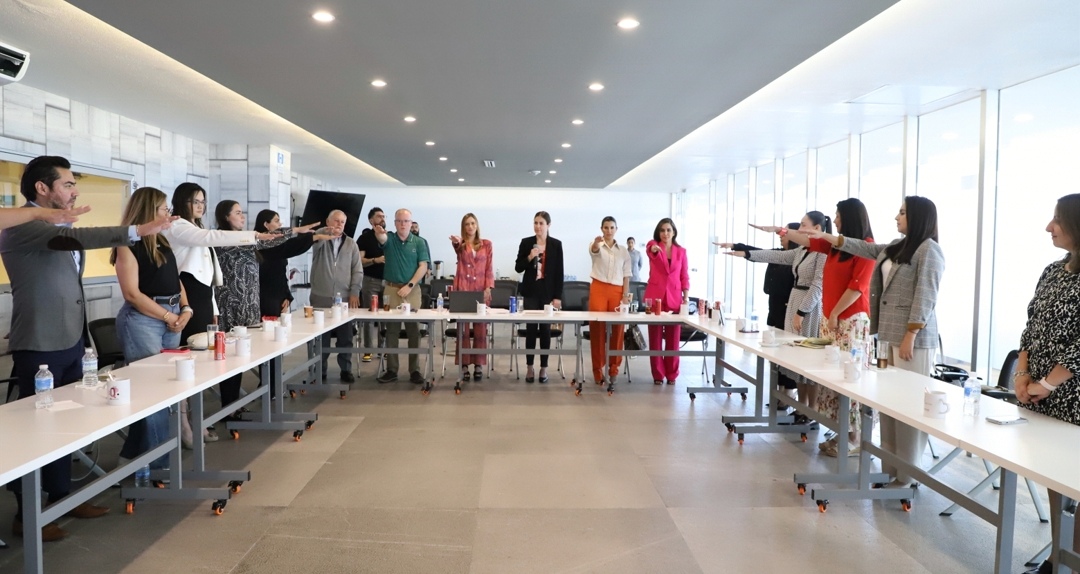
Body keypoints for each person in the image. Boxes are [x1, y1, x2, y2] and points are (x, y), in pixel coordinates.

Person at [1, 155, 173, 541]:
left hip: (70, 339)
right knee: (36, 430)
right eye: (67, 184)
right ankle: (25, 514)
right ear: (42, 188)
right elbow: (83, 239)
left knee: (68, 424)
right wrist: (137, 230)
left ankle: (62, 497)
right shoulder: (23, 226)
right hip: (41, 343)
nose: (74, 191)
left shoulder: (54, 224)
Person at [807, 196, 944, 488]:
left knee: (908, 405)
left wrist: (911, 334)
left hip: (913, 339)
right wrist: (830, 238)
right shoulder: (898, 246)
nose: (897, 217)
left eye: (902, 212)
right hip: (889, 334)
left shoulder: (929, 250)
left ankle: (908, 475)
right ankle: (891, 469)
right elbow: (865, 248)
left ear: (918, 217)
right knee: (890, 404)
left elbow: (926, 295)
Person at [165, 183, 273, 431]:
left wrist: (214, 308)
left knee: (203, 360)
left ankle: (196, 419)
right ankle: (186, 423)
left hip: (203, 298)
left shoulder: (195, 227)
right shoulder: (178, 226)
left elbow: (209, 274)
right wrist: (254, 235)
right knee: (191, 360)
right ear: (182, 201)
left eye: (203, 201)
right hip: (188, 297)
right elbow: (211, 237)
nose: (200, 206)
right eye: (195, 201)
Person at [771, 200, 875, 457]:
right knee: (833, 378)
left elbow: (857, 287)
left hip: (850, 321)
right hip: (831, 320)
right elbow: (809, 242)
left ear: (850, 218)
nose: (835, 220)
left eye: (838, 216)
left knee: (850, 377)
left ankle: (855, 437)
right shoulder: (837, 246)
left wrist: (835, 313)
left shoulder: (866, 246)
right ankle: (842, 432)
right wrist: (781, 231)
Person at [1013, 194, 1080, 574]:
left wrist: (1049, 384)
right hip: (1042, 395)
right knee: (1055, 478)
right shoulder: (1053, 270)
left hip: (1072, 398)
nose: (1048, 227)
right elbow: (1031, 326)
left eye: (1057, 220)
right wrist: (1023, 374)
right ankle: (1058, 557)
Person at [111, 187, 190, 468]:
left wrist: (186, 308)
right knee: (153, 392)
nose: (168, 214)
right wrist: (167, 316)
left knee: (166, 388)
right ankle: (158, 466)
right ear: (148, 211)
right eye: (163, 209)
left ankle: (130, 458)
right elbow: (132, 294)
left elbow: (175, 279)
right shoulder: (126, 244)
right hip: (144, 320)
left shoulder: (162, 240)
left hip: (171, 316)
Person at [723, 211, 829, 420]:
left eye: (803, 224)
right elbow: (776, 256)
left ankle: (812, 409)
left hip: (809, 307)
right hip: (795, 300)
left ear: (817, 228)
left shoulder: (822, 252)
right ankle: (801, 406)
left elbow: (818, 286)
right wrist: (745, 254)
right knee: (797, 359)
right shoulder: (801, 251)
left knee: (809, 360)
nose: (799, 229)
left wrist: (802, 311)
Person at [215, 201, 314, 412]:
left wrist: (301, 234)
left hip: (250, 306)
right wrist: (296, 230)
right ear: (225, 217)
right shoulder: (223, 239)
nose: (243, 216)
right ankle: (229, 407)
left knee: (244, 355)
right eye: (238, 213)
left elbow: (271, 241)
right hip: (231, 307)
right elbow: (264, 239)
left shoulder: (248, 239)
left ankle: (237, 404)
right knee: (231, 359)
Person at [375, 208, 429, 384]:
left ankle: (415, 370)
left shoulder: (419, 242)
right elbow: (382, 239)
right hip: (391, 290)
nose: (403, 224)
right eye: (399, 221)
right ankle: (392, 369)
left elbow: (423, 266)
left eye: (406, 221)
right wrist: (379, 232)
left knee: (414, 331)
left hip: (412, 290)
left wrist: (410, 285)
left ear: (411, 223)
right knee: (392, 331)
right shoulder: (390, 238)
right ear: (395, 223)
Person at [311, 209, 363, 382]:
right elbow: (314, 238)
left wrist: (355, 291)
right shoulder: (319, 239)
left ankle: (346, 370)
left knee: (345, 337)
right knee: (321, 337)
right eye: (336, 220)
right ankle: (319, 370)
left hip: (344, 298)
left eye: (342, 222)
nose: (339, 224)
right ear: (328, 221)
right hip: (321, 296)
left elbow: (357, 270)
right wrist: (327, 233)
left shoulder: (351, 244)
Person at [719, 222, 800, 330]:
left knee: (783, 334)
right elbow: (759, 253)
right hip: (773, 303)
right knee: (772, 332)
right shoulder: (778, 253)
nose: (780, 236)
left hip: (788, 305)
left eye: (784, 233)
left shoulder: (798, 258)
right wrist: (734, 246)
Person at [514, 211, 564, 383]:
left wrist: (557, 296)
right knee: (530, 330)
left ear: (548, 225)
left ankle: (543, 368)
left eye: (541, 223)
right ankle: (529, 367)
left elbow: (559, 272)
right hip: (531, 292)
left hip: (547, 293)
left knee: (545, 331)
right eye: (535, 223)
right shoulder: (526, 242)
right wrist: (530, 256)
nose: (538, 226)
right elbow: (518, 268)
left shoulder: (556, 245)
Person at [254, 210, 329, 318]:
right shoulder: (258, 245)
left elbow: (281, 274)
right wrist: (315, 237)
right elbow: (292, 246)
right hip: (263, 299)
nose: (280, 224)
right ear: (266, 224)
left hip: (278, 298)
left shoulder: (277, 246)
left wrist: (286, 296)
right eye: (276, 221)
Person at [449, 213, 494, 381]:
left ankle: (478, 364)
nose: (470, 226)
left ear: (477, 225)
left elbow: (489, 267)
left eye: (473, 223)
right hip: (464, 288)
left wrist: (488, 287)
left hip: (481, 290)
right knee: (464, 330)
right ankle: (464, 364)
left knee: (480, 329)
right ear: (463, 227)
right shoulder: (461, 245)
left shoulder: (486, 244)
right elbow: (457, 247)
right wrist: (456, 242)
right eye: (467, 224)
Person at [644, 218, 689, 385]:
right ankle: (657, 374)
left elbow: (684, 275)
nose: (665, 233)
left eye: (668, 230)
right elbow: (650, 249)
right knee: (655, 338)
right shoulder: (654, 246)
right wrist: (654, 248)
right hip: (655, 297)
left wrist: (686, 296)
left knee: (673, 339)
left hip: (675, 297)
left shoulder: (681, 251)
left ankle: (672, 374)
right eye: (662, 230)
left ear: (674, 232)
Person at [588, 216, 631, 384]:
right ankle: (598, 369)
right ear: (601, 229)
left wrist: (625, 296)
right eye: (606, 227)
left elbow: (626, 275)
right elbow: (594, 251)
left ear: (616, 229)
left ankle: (614, 368)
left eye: (612, 227)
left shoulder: (623, 251)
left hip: (617, 290)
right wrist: (595, 243)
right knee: (597, 327)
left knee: (618, 329)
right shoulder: (596, 245)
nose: (609, 230)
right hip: (598, 288)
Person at [356, 207, 387, 362]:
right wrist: (375, 260)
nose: (382, 219)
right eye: (379, 216)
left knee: (386, 315)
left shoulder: (389, 236)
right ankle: (368, 350)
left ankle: (384, 349)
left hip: (388, 281)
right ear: (371, 220)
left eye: (384, 216)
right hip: (370, 280)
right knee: (369, 315)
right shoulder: (364, 238)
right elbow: (359, 260)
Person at [411, 220, 433, 284]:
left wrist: (429, 268)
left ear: (418, 229)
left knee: (421, 287)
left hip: (421, 268)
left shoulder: (423, 241)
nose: (414, 229)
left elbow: (427, 254)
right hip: (410, 268)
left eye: (416, 227)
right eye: (412, 227)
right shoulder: (406, 242)